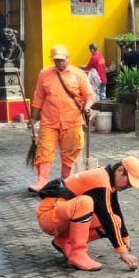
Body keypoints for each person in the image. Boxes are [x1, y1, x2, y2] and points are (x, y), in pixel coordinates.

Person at [37, 156, 139, 272]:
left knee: (116, 220)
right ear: (120, 170)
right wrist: (123, 253)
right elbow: (106, 218)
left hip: (60, 214)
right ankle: (77, 254)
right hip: (49, 216)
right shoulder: (101, 182)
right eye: (129, 182)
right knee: (85, 203)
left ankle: (64, 241)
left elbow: (114, 210)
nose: (129, 186)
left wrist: (125, 237)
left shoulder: (107, 179)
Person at [27, 44, 96, 193]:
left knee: (70, 154)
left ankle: (66, 181)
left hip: (72, 122)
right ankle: (41, 182)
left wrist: (88, 107)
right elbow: (38, 98)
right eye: (56, 60)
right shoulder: (44, 74)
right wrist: (33, 119)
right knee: (43, 150)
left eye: (62, 60)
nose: (59, 63)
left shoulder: (78, 74)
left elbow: (90, 95)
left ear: (68, 58)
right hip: (49, 121)